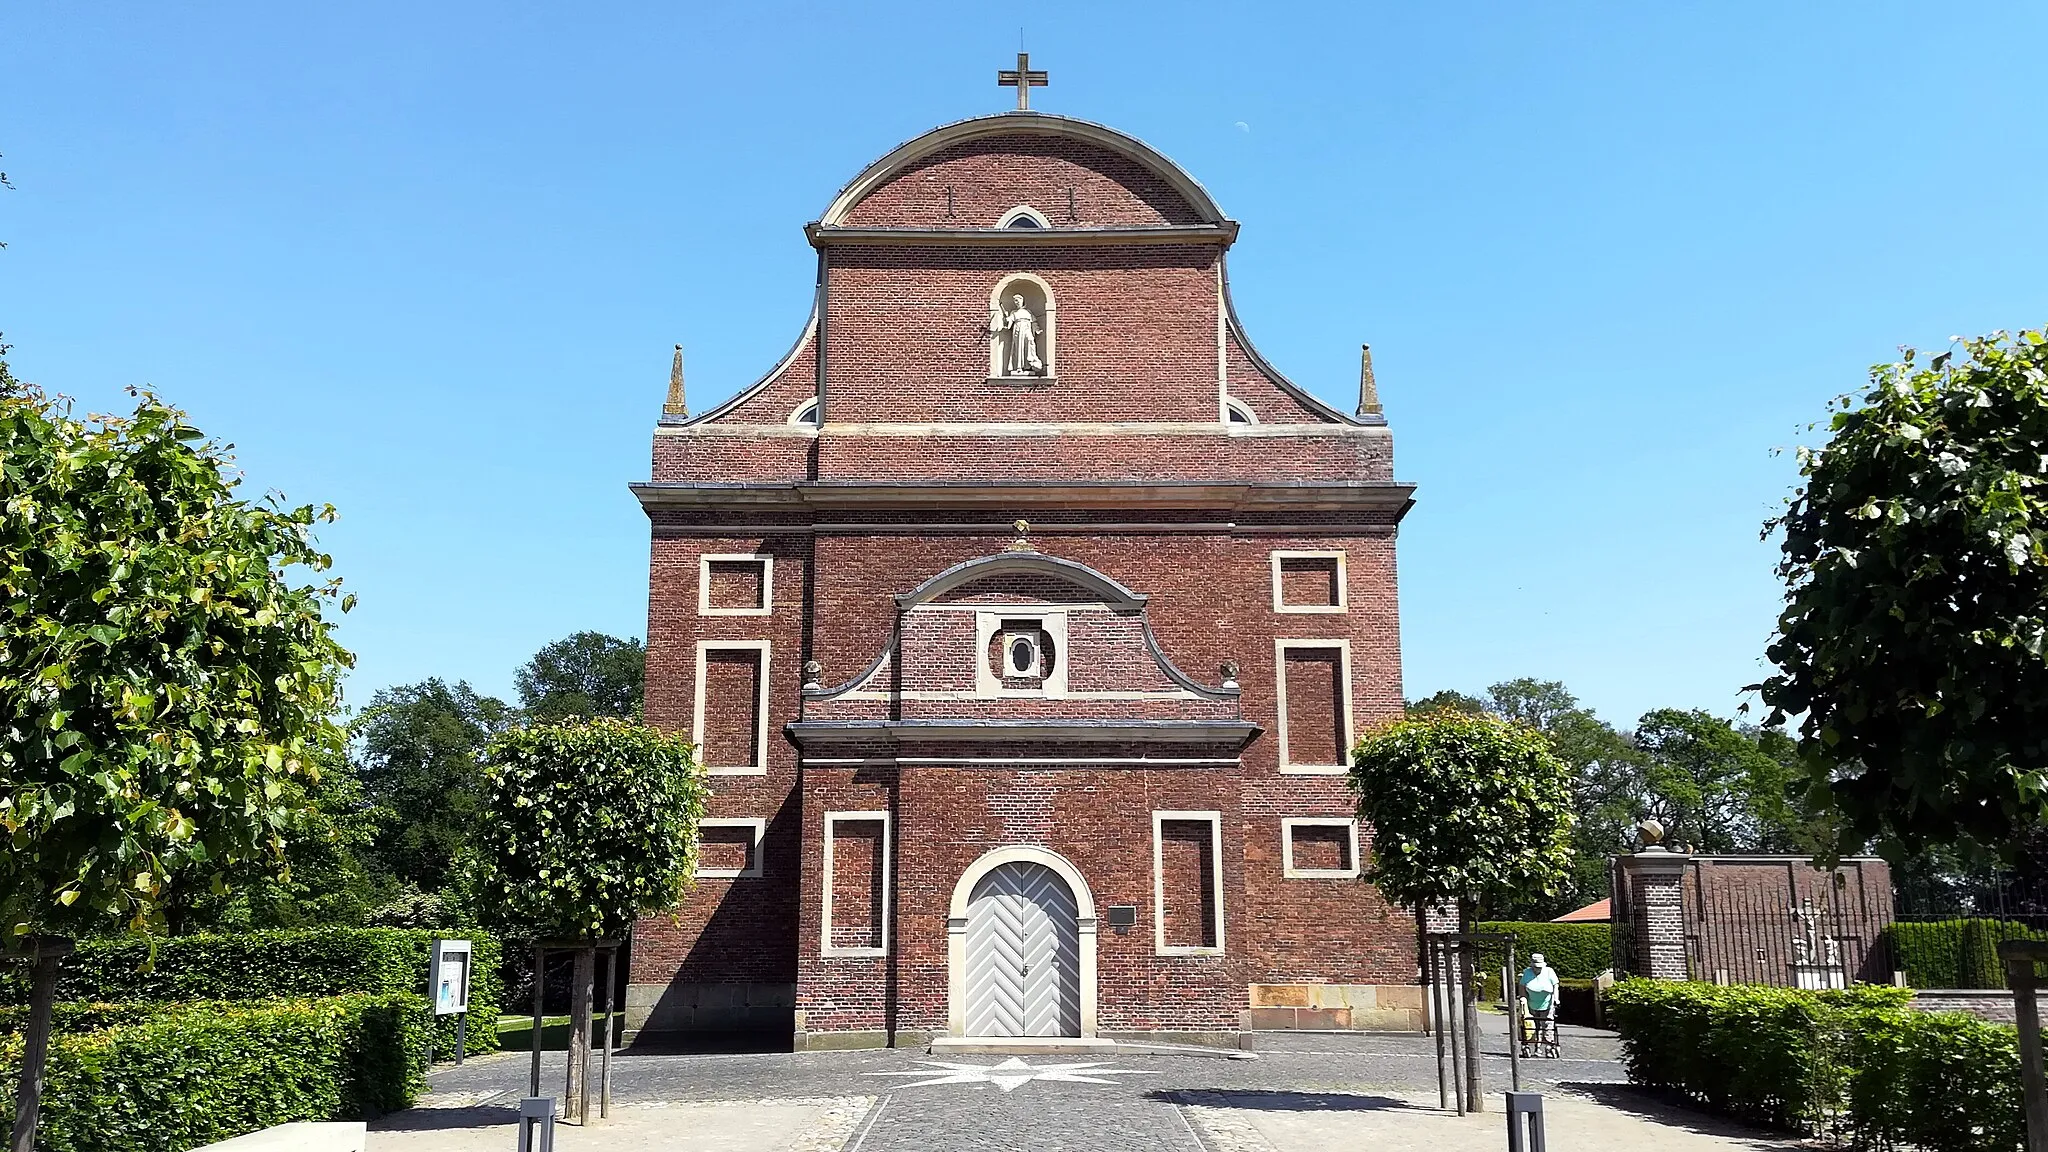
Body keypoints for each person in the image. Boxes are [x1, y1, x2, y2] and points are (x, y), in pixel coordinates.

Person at [1519, 952, 1561, 1055]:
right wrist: (1523, 998)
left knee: (1548, 1025)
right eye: (1536, 967)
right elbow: (1522, 986)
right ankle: (1536, 1047)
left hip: (1547, 1004)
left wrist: (1556, 999)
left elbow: (1556, 985)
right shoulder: (1527, 973)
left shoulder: (1549, 971)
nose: (1538, 969)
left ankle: (1549, 1045)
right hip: (1532, 1004)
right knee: (1533, 1026)